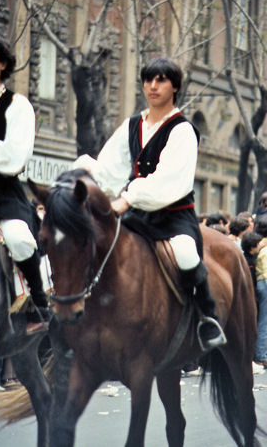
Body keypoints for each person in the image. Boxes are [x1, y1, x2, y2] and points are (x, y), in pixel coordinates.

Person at [73, 56, 226, 352]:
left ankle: (207, 317)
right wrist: (83, 178)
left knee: (184, 253)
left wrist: (127, 199)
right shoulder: (132, 125)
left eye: (161, 80)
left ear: (175, 86)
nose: (152, 86)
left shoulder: (183, 130)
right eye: (148, 80)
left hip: (173, 217)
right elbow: (109, 168)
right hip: (138, 217)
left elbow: (170, 180)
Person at [0, 33, 49, 334]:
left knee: (19, 238)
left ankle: (39, 304)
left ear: (3, 64)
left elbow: (16, 156)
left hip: (2, 197)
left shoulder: (17, 106)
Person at [253, 217, 267, 367]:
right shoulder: (265, 246)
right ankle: (262, 355)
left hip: (261, 282)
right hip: (264, 282)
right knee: (264, 320)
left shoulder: (259, 244)